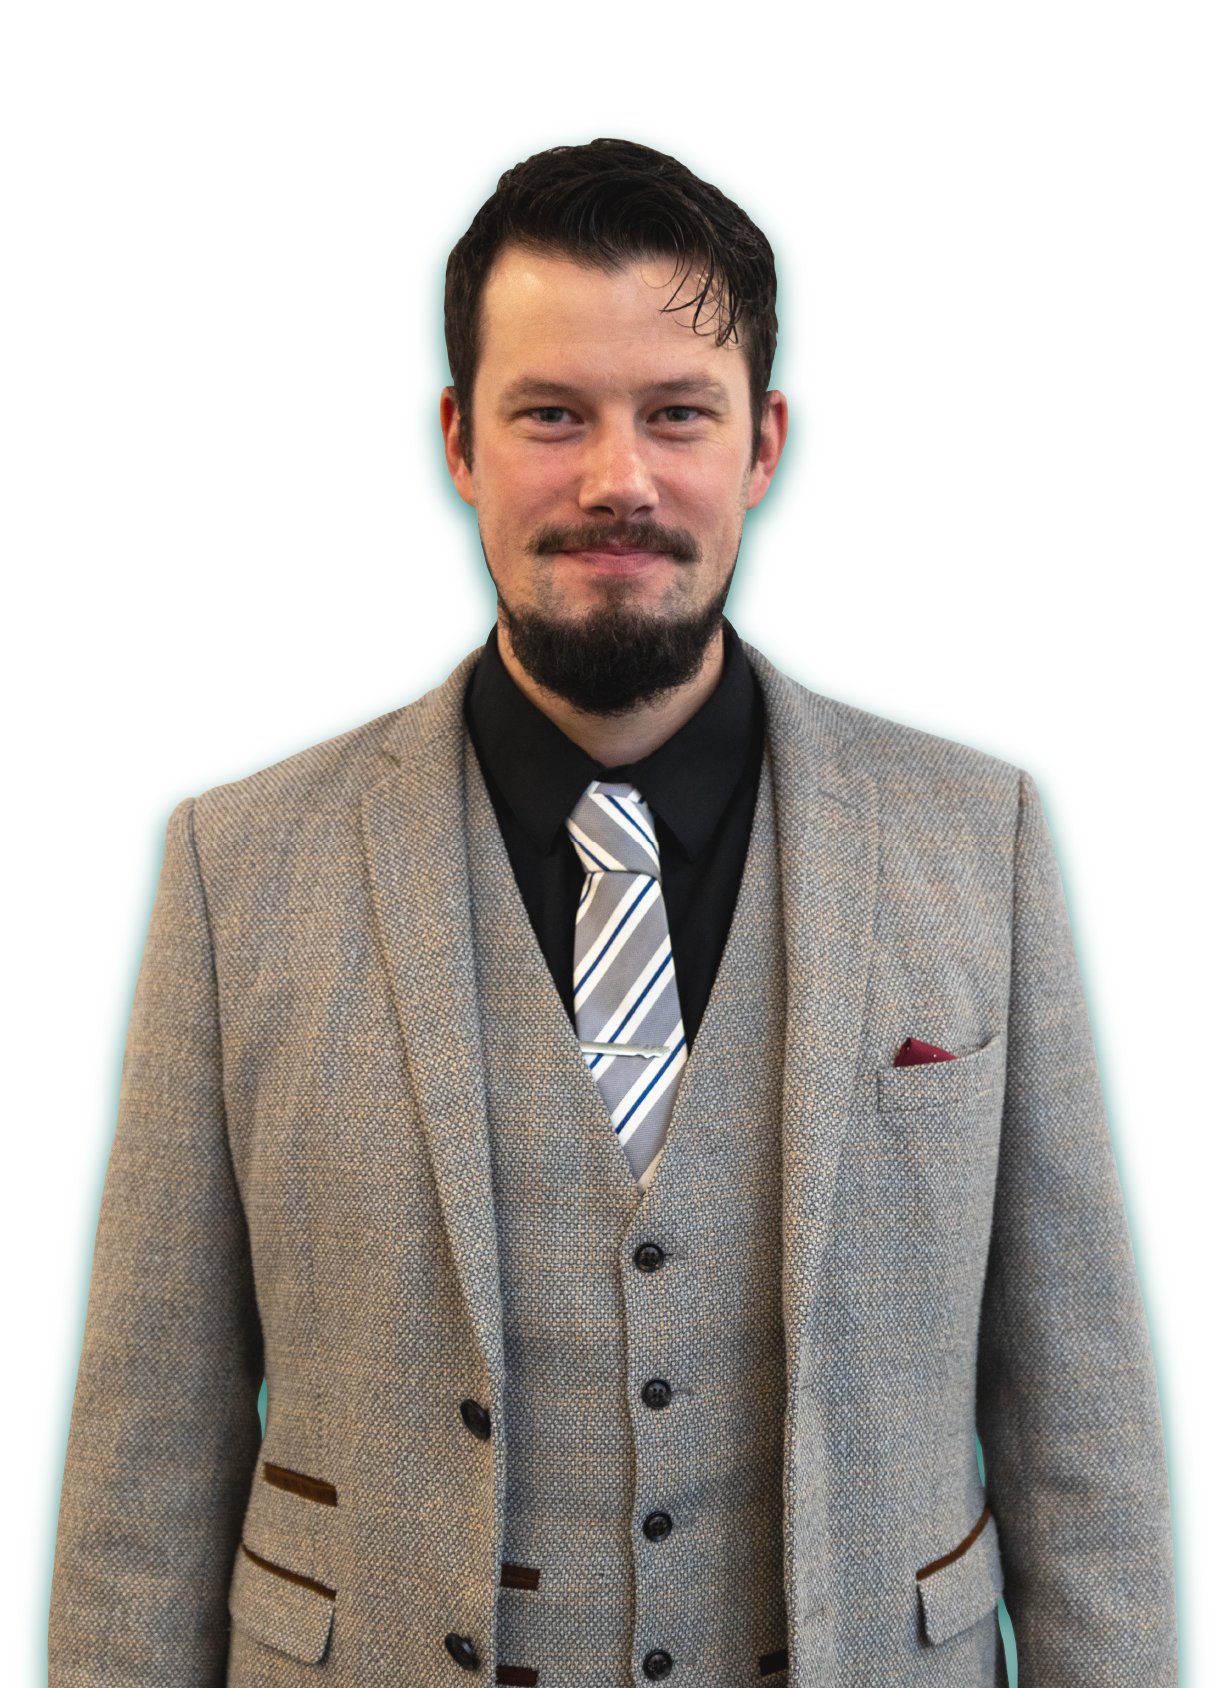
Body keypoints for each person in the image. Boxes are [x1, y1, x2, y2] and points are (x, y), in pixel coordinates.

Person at [48, 138, 1175, 1688]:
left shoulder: (976, 836)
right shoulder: (232, 868)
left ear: (764, 444)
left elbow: (1082, 1423)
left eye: (676, 415)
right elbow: (144, 1451)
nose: (616, 480)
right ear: (455, 440)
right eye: (551, 415)